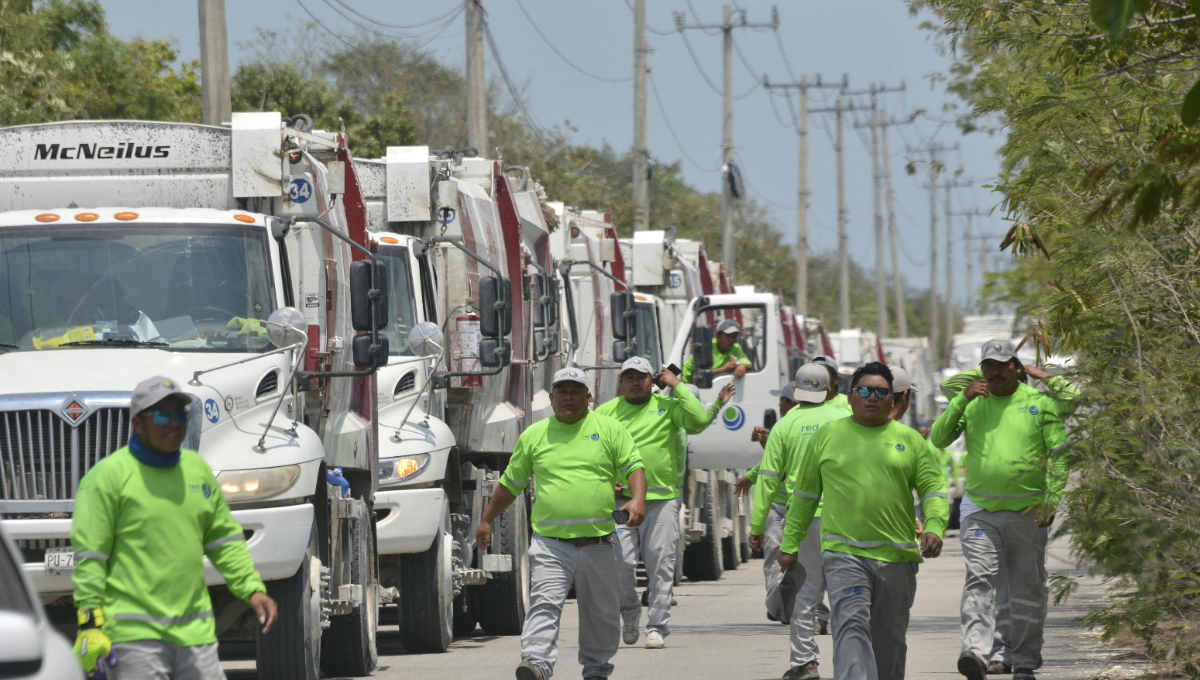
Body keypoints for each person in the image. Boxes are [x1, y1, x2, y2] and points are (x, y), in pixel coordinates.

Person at [70, 376, 277, 679]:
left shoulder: (197, 471)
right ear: (138, 423)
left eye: (181, 415)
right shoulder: (107, 478)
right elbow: (91, 559)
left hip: (196, 638)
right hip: (134, 639)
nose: (174, 424)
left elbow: (225, 540)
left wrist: (252, 589)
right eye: (163, 415)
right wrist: (89, 624)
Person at [779, 362, 948, 680]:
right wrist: (790, 545)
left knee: (889, 641)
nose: (873, 397)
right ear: (850, 396)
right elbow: (804, 496)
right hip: (844, 554)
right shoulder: (826, 437)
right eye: (865, 390)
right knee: (851, 628)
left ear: (893, 399)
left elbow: (933, 490)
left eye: (882, 391)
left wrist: (936, 526)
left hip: (897, 559)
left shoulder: (910, 441)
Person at [478, 367, 647, 680]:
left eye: (575, 391)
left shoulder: (609, 429)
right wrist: (487, 519)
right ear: (552, 398)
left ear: (588, 396)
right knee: (544, 604)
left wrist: (637, 499)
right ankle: (537, 664)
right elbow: (510, 484)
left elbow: (634, 466)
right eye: (562, 391)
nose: (569, 397)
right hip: (551, 544)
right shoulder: (534, 435)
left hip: (600, 543)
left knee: (601, 615)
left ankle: (596, 670)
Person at [931, 339, 1069, 680]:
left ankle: (1024, 661)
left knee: (1027, 588)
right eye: (988, 365)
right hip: (979, 510)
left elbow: (1061, 453)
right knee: (979, 579)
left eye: (1003, 364)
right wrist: (964, 397)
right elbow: (938, 438)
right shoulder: (972, 401)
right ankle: (975, 651)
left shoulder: (1040, 402)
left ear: (1017, 367)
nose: (995, 371)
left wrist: (1051, 499)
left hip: (1029, 513)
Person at [596, 356, 708, 650]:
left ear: (652, 381)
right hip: (621, 503)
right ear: (620, 382)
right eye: (629, 377)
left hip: (661, 502)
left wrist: (677, 385)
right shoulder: (605, 413)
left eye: (642, 377)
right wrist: (608, 484)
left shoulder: (668, 408)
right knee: (620, 561)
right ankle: (630, 613)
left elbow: (699, 420)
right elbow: (592, 454)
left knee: (661, 563)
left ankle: (657, 626)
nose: (635, 382)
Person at [749, 364, 849, 680]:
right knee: (845, 593)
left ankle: (806, 663)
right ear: (828, 389)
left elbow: (767, 481)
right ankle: (852, 661)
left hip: (801, 521)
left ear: (796, 391)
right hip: (844, 520)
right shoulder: (844, 422)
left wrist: (756, 527)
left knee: (804, 593)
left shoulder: (784, 426)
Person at [681, 318, 752, 383]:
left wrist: (742, 366)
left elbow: (748, 365)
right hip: (686, 383)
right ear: (718, 336)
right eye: (728, 336)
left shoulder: (735, 347)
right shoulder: (707, 347)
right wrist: (722, 370)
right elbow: (695, 375)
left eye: (734, 336)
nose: (731, 340)